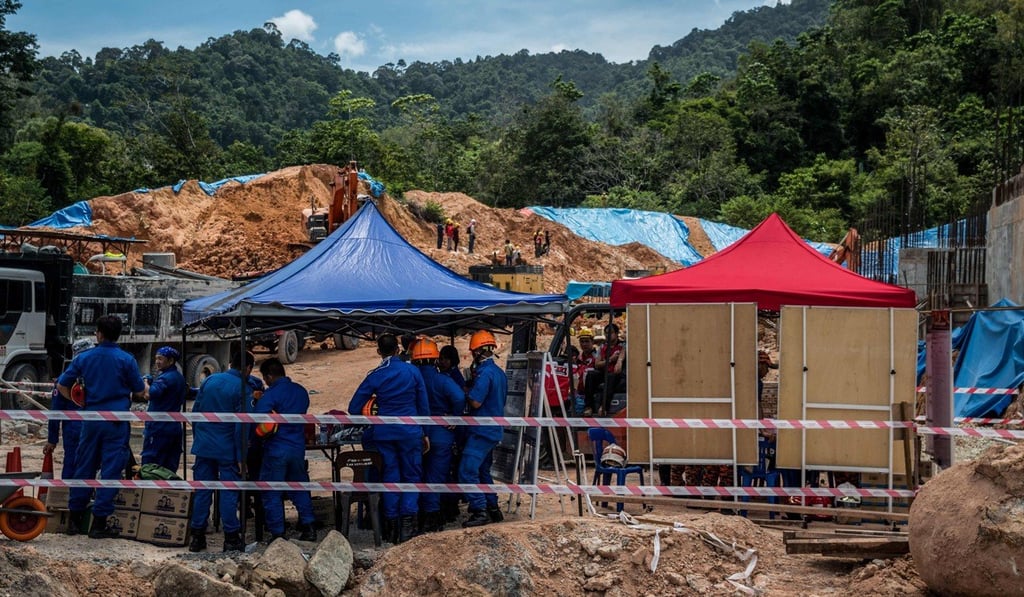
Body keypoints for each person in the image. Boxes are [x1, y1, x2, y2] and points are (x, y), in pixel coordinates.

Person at [56, 315, 145, 539]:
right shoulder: (127, 360)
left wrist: (79, 402)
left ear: (99, 333)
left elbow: (62, 385)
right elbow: (140, 391)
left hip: (91, 420)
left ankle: (74, 521)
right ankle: (99, 524)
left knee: (84, 466)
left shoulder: (85, 357)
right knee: (111, 470)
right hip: (115, 422)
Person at [348, 333, 430, 544]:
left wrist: (373, 411)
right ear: (397, 350)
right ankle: (407, 527)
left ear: (378, 352)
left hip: (384, 434)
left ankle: (391, 527)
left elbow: (353, 408)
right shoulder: (413, 371)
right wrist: (425, 432)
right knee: (412, 476)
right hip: (410, 432)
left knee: (391, 477)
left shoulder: (375, 374)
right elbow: (423, 406)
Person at [188, 350, 254, 553]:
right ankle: (231, 538)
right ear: (248, 369)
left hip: (204, 447)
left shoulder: (210, 381)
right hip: (227, 450)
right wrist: (241, 456)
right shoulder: (243, 388)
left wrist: (201, 438)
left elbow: (196, 412)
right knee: (228, 493)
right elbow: (242, 426)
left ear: (231, 363)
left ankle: (197, 537)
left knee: (202, 491)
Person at [254, 357, 317, 542]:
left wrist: (259, 401)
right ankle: (309, 526)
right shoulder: (301, 391)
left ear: (269, 376)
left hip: (276, 449)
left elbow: (257, 416)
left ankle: (278, 534)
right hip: (297, 448)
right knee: (299, 488)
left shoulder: (272, 394)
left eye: (265, 379)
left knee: (272, 491)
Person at [410, 338, 465, 532]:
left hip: (415, 433)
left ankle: (414, 516)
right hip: (441, 434)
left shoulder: (411, 377)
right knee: (435, 476)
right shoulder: (442, 379)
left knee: (415, 474)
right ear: (435, 358)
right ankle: (432, 517)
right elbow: (459, 397)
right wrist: (454, 417)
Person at [459, 330, 507, 527]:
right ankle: (493, 508)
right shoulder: (499, 373)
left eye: (473, 352)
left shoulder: (485, 374)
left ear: (478, 352)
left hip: (482, 431)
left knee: (467, 471)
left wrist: (466, 392)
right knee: (483, 471)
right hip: (493, 429)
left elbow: (477, 403)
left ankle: (479, 510)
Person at [44, 338, 94, 479]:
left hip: (77, 428)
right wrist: (52, 439)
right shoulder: (98, 376)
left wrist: (52, 439)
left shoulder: (65, 379)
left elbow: (55, 411)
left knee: (74, 464)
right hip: (89, 426)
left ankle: (72, 496)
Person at [140, 346, 188, 474]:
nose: (157, 362)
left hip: (158, 429)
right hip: (173, 428)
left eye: (160, 359)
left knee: (150, 467)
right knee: (169, 468)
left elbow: (149, 394)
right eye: (156, 358)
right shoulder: (178, 377)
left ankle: (151, 493)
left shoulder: (165, 379)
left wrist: (145, 382)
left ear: (171, 361)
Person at [583, 323, 625, 416]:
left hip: (616, 375)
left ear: (617, 333)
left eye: (611, 333)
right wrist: (610, 360)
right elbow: (597, 364)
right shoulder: (602, 347)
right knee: (590, 375)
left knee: (611, 377)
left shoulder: (622, 345)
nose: (608, 335)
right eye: (606, 333)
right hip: (604, 372)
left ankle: (604, 407)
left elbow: (619, 363)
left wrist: (619, 361)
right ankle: (588, 406)